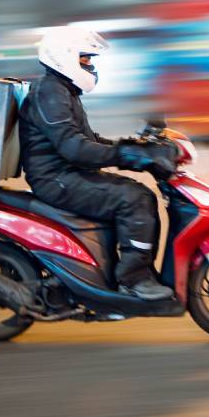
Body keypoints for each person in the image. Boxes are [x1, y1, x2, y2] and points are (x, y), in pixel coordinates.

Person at [18, 26, 177, 301]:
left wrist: (134, 148)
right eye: (85, 59)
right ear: (64, 56)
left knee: (137, 194)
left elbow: (88, 140)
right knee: (135, 198)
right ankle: (133, 280)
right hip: (57, 179)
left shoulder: (62, 90)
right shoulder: (51, 93)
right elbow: (75, 149)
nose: (90, 66)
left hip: (66, 174)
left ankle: (124, 271)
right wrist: (127, 156)